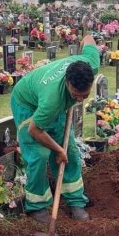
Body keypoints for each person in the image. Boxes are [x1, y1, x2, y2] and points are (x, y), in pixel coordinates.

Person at [11, 34, 99, 224]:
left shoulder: (91, 63)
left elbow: (89, 38)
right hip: (27, 104)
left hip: (55, 105)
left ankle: (75, 200)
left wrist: (63, 150)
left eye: (85, 95)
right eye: (76, 94)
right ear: (67, 82)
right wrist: (58, 150)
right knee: (39, 155)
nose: (80, 100)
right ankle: (36, 206)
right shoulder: (52, 99)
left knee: (72, 151)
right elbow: (34, 130)